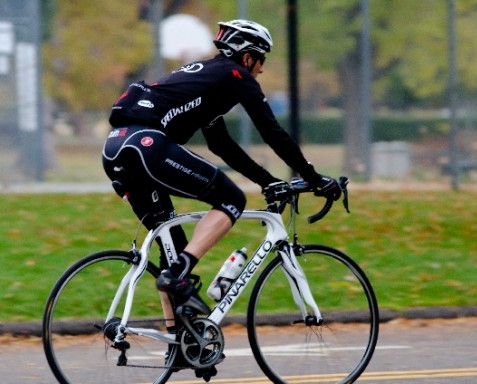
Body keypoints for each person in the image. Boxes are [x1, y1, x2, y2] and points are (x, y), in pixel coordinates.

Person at [102, 19, 341, 315]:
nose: (261, 70)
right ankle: (178, 275)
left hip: (115, 148)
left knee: (172, 249)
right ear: (247, 57)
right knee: (231, 199)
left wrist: (266, 181)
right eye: (261, 60)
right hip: (146, 145)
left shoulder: (206, 83)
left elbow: (222, 145)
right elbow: (272, 132)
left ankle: (181, 348)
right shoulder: (235, 75)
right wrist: (314, 178)